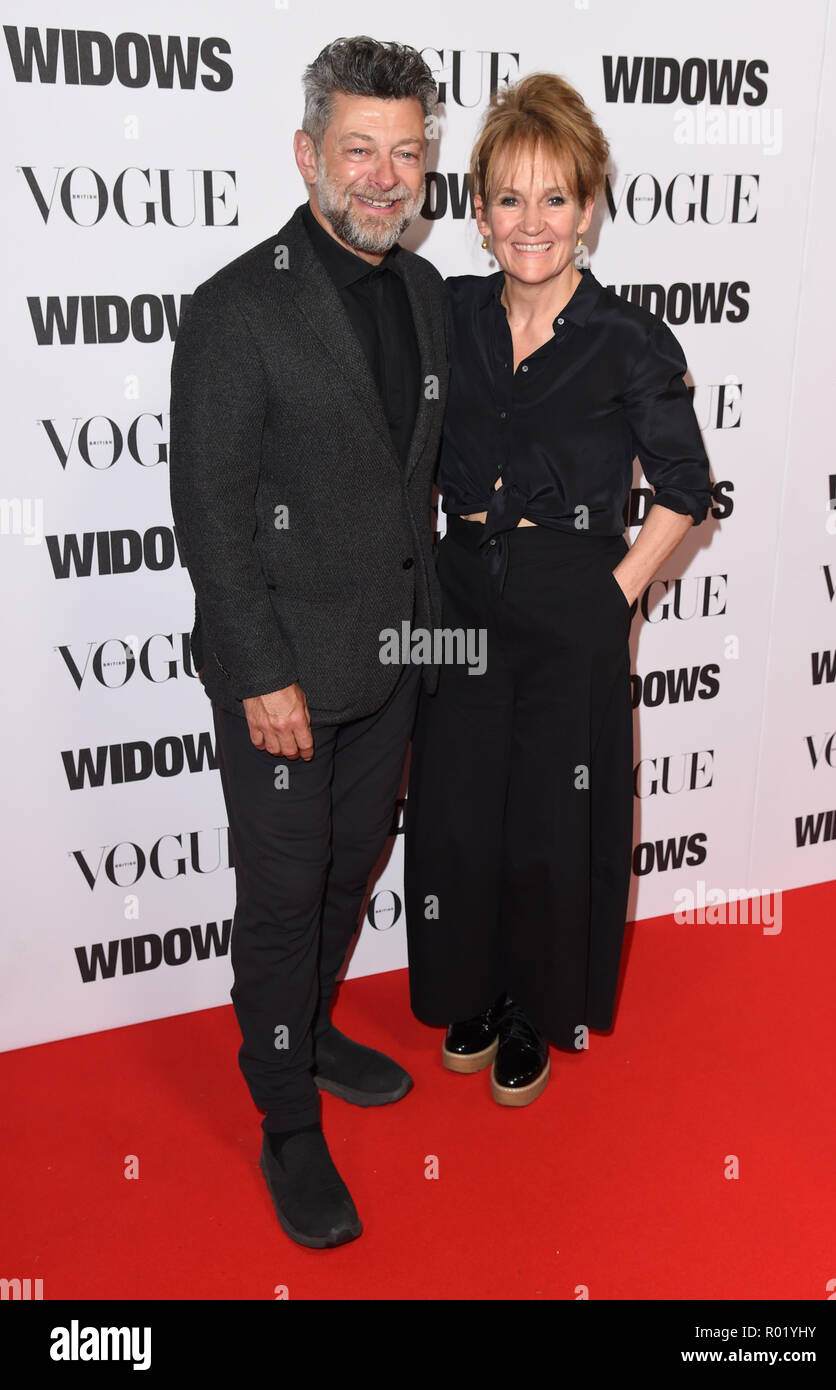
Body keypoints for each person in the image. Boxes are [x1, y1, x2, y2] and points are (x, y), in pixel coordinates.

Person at [169, 36, 447, 1248]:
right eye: (357, 152)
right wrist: (262, 674)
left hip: (394, 662)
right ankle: (285, 1114)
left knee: (348, 869)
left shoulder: (428, 291)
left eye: (404, 153)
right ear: (306, 155)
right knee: (283, 896)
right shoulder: (236, 309)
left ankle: (312, 1027)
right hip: (282, 676)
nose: (382, 179)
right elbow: (210, 512)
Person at [404, 73, 713, 1107]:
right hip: (459, 597)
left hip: (570, 593)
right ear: (479, 211)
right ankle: (473, 991)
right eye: (507, 198)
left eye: (553, 198)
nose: (528, 222)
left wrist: (615, 595)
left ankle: (535, 1009)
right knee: (455, 808)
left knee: (549, 814)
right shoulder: (446, 313)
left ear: (586, 209)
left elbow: (683, 486)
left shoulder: (627, 339)